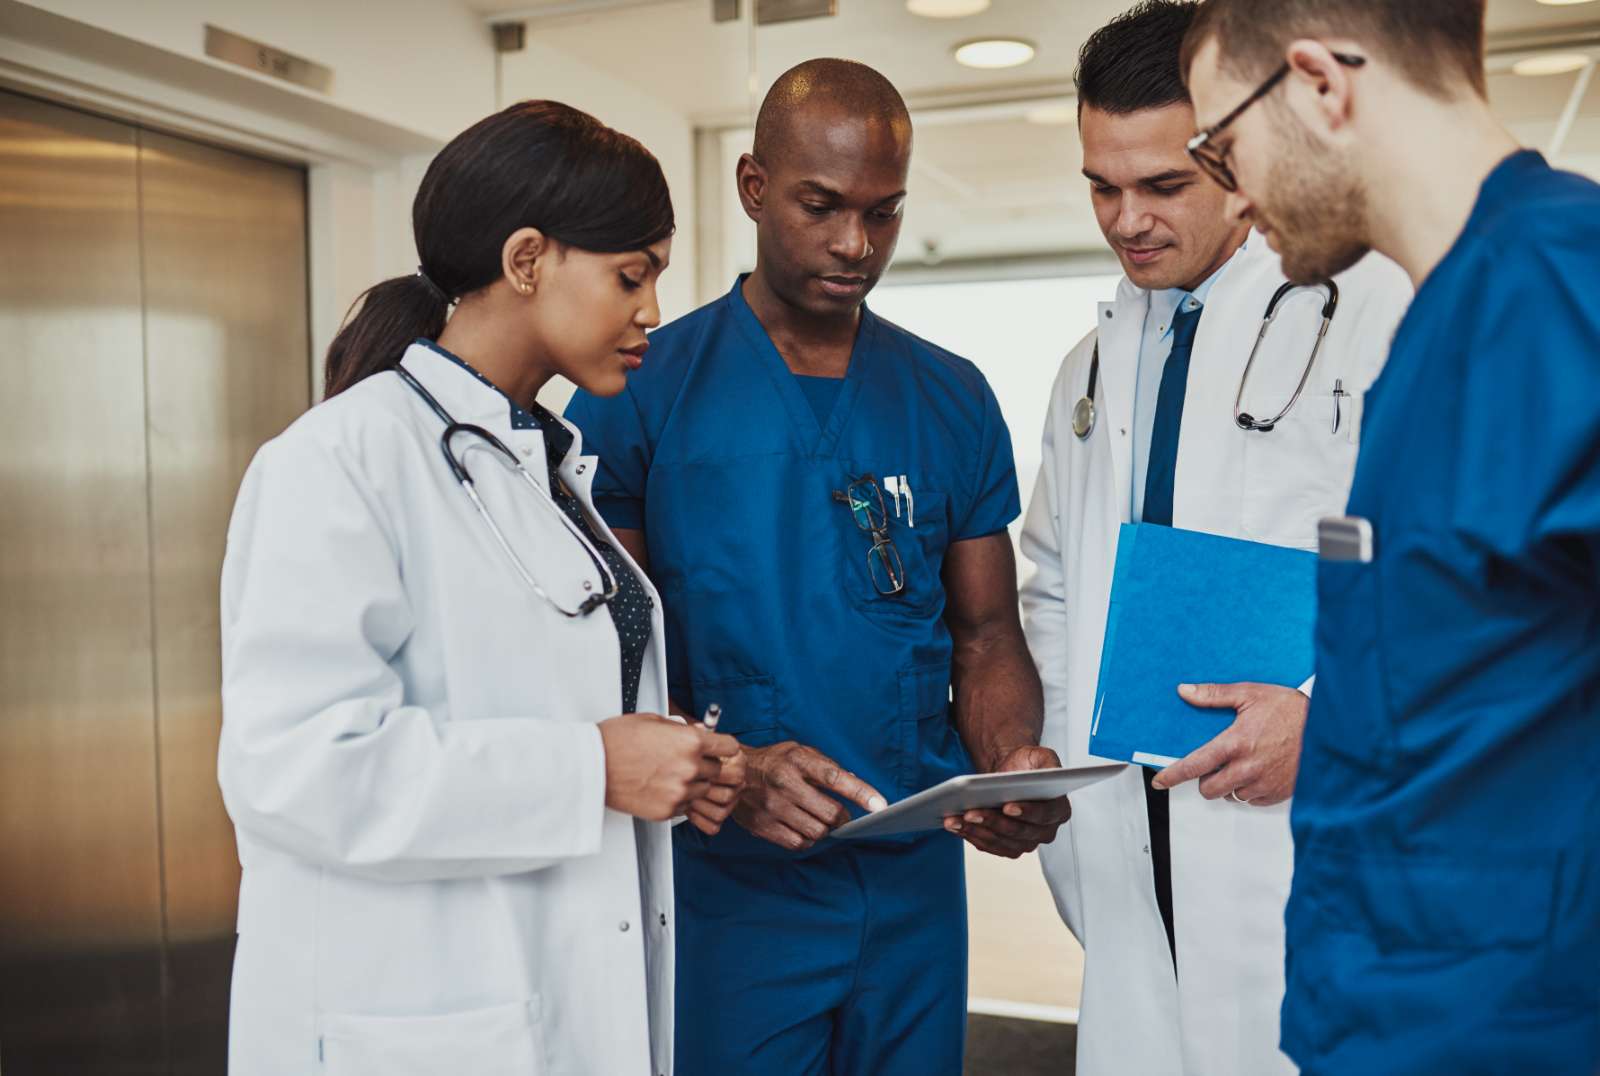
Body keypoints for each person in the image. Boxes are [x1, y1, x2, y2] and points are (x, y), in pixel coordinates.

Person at [564, 58, 1069, 1076]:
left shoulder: (951, 396)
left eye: (883, 212)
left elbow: (984, 632)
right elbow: (598, 661)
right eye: (821, 205)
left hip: (913, 879)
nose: (856, 243)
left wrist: (1009, 758)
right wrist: (729, 770)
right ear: (754, 188)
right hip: (725, 877)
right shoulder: (643, 387)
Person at [217, 100, 743, 1076]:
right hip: (417, 1015)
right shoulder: (343, 459)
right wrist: (592, 769)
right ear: (528, 258)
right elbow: (295, 768)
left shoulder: (543, 465)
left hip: (554, 992)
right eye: (633, 274)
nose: (653, 313)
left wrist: (663, 763)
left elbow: (538, 696)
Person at [1181, 2, 1600, 1073]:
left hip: (1512, 1021)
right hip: (1390, 1010)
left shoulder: (1559, 281)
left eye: (1222, 149)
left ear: (1319, 83)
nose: (1229, 197)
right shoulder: (1439, 319)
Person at [1018, 4, 1412, 1074]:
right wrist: (1062, 754)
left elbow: (1469, 583)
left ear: (1238, 162)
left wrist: (1323, 719)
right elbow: (1050, 582)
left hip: (1309, 840)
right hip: (1133, 858)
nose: (1124, 219)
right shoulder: (1088, 368)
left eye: (1162, 186)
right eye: (1101, 184)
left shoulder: (1377, 308)